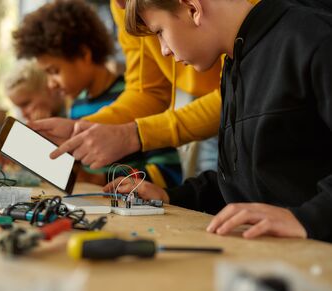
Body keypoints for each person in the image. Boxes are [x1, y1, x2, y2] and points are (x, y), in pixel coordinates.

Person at [106, 0, 332, 242]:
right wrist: (172, 196)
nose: (164, 50)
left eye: (160, 32)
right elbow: (247, 182)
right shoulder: (235, 62)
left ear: (193, 9)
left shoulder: (313, 36)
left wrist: (307, 218)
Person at [13, 0, 183, 187]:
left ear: (84, 54)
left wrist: (100, 180)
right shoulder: (77, 107)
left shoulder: (139, 100)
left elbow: (168, 171)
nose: (51, 84)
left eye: (54, 71)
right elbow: (82, 171)